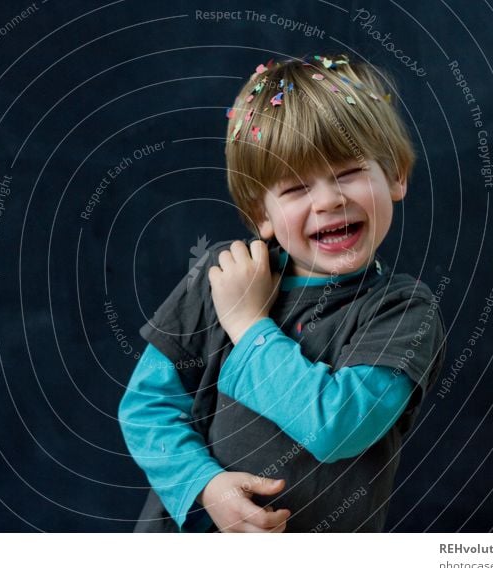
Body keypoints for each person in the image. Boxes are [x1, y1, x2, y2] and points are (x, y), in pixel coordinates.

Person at [118, 54, 447, 533]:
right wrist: (208, 488)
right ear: (261, 214)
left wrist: (248, 325)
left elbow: (340, 428)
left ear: (395, 174)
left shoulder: (403, 311)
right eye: (295, 188)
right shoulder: (222, 276)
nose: (330, 200)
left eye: (350, 170)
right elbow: (146, 405)